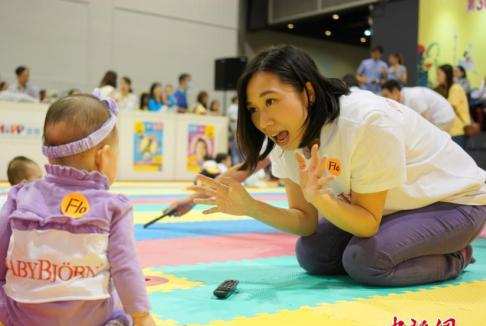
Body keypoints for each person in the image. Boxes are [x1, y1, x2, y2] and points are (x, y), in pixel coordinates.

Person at [189, 45, 486, 287]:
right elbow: (305, 219)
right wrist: (251, 207)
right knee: (313, 254)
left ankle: (456, 255)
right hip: (397, 208)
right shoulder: (285, 136)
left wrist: (322, 199)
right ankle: (410, 246)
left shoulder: (365, 122)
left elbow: (368, 222)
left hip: (455, 202)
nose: (263, 121)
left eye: (271, 101)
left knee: (367, 262)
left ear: (308, 93)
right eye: (254, 109)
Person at [0, 92, 164, 326]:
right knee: (120, 294)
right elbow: (125, 265)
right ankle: (121, 320)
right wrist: (142, 314)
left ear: (49, 155)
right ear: (103, 157)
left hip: (25, 320)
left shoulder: (21, 194)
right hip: (89, 317)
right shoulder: (114, 206)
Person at [381, 80, 455, 131]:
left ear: (395, 91)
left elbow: (424, 120)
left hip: (444, 118)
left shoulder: (412, 97)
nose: (385, 99)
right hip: (442, 117)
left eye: (386, 95)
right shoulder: (405, 96)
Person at [434, 64, 472, 147]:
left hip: (457, 129)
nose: (437, 77)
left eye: (439, 74)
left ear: (447, 75)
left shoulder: (456, 88)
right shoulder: (442, 89)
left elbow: (450, 108)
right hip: (448, 129)